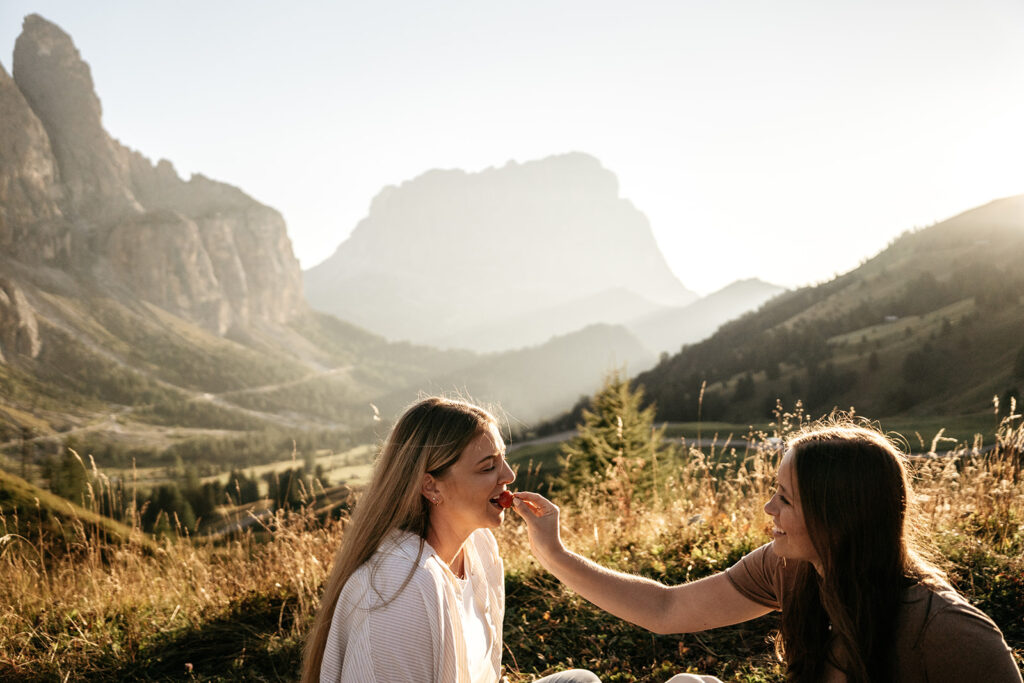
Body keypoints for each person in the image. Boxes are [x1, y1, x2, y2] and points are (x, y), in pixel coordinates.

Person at [512, 417, 1022, 683]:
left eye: (785, 498)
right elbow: (666, 609)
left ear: (837, 517)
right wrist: (553, 552)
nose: (767, 508)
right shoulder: (791, 568)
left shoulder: (949, 633)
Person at [302, 396, 600, 683]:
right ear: (430, 486)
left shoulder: (481, 547)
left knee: (581, 680)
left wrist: (554, 553)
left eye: (504, 460)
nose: (508, 475)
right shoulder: (398, 588)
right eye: (487, 467)